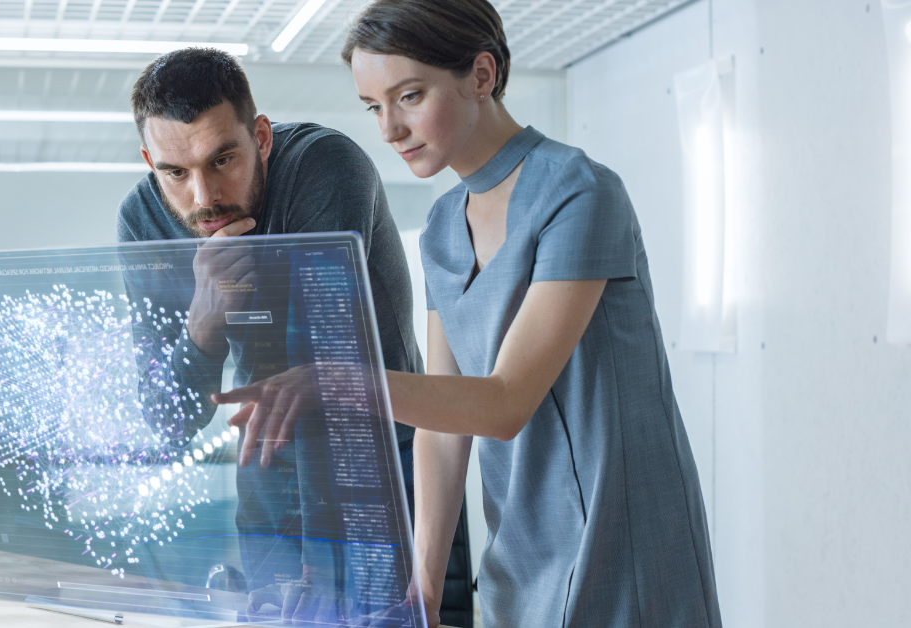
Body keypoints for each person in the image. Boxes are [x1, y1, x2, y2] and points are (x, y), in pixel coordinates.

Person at [215, 1, 722, 626]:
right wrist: (423, 589)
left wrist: (337, 381)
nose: (389, 130)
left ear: (481, 76)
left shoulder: (579, 192)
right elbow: (442, 423)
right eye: (374, 106)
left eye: (409, 95)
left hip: (622, 553)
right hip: (519, 558)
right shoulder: (441, 229)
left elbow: (504, 403)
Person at [115, 47, 473, 624]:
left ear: (261, 136)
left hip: (376, 455)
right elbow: (163, 421)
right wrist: (203, 326)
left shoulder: (323, 167)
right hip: (267, 464)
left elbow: (328, 372)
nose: (203, 197)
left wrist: (320, 565)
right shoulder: (143, 220)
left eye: (222, 159)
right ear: (149, 159)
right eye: (174, 173)